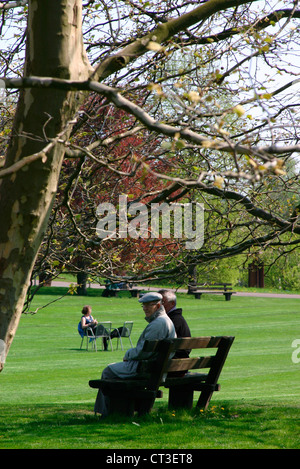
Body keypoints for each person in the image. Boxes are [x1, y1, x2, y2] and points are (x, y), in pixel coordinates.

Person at [93, 292, 176, 416]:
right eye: (143, 305)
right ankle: (117, 410)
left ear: (158, 306)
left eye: (148, 305)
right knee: (113, 371)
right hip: (155, 369)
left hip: (146, 370)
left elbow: (143, 352)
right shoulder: (165, 321)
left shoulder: (158, 324)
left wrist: (127, 355)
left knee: (108, 371)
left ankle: (106, 413)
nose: (145, 309)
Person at [158, 289, 191, 359]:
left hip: (170, 364)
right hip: (179, 364)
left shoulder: (172, 321)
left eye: (162, 302)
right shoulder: (176, 318)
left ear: (172, 303)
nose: (159, 305)